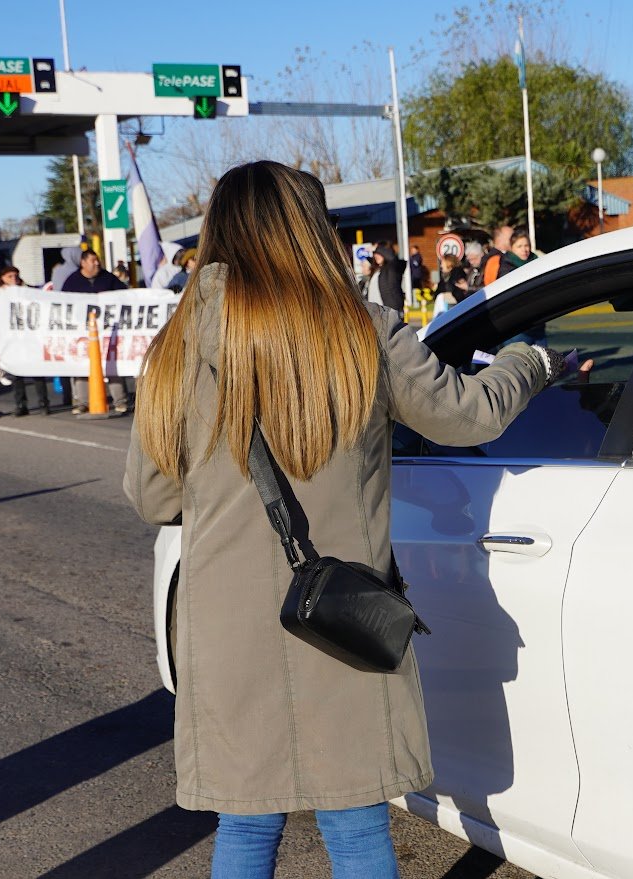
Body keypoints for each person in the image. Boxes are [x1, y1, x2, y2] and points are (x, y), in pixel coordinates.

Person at [123, 160, 567, 879]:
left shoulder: (177, 344)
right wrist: (532, 360)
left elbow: (151, 496)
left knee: (245, 823)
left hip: (230, 625)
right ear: (309, 227)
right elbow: (466, 415)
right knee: (357, 826)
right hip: (344, 611)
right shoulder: (361, 329)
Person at [61, 249, 130, 414]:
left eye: (97, 260)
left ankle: (120, 401)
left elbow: (125, 296)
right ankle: (81, 402)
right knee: (81, 367)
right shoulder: (72, 281)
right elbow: (63, 303)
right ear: (83, 263)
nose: (97, 263)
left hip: (107, 333)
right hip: (82, 334)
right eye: (93, 260)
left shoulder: (108, 278)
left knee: (112, 365)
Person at [0, 265, 51, 416]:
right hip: (12, 340)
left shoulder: (28, 291)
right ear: (3, 279)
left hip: (30, 338)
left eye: (15, 276)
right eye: (10, 277)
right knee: (16, 374)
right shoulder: (0, 295)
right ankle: (21, 404)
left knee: (37, 372)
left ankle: (43, 403)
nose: (14, 279)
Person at [367, 243, 406, 312]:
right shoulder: (378, 269)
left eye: (379, 253)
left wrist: (376, 248)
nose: (376, 255)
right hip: (376, 311)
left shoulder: (392, 267)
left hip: (390, 310)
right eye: (375, 253)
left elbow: (391, 257)